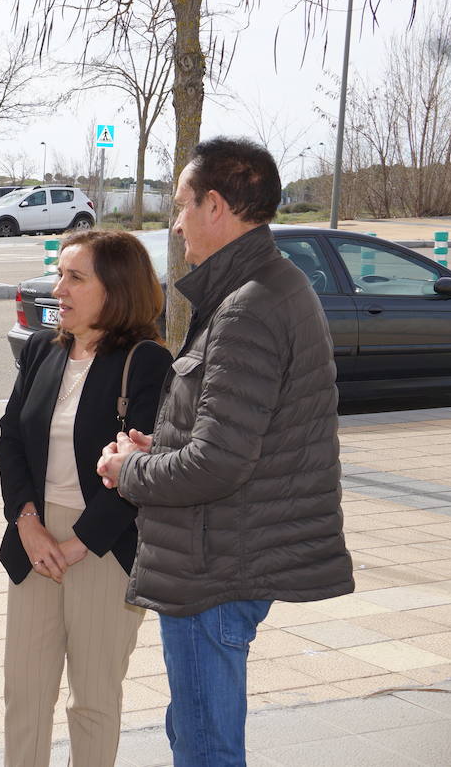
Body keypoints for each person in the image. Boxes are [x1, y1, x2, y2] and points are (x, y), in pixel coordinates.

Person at [97, 137, 354, 767]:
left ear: (216, 205)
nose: (175, 221)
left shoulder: (249, 306)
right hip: (220, 554)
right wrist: (164, 445)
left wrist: (131, 470)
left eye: (182, 205)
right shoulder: (263, 288)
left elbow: (218, 463)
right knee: (195, 733)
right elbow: (241, 436)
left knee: (206, 746)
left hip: (215, 566)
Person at [0, 230, 172, 767]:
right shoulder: (41, 349)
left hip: (105, 545)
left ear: (115, 288)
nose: (59, 288)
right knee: (24, 695)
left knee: (94, 699)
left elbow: (145, 468)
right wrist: (28, 523)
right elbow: (10, 438)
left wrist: (77, 546)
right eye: (60, 275)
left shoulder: (146, 362)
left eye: (76, 277)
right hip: (35, 540)